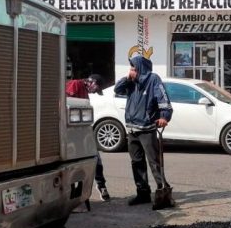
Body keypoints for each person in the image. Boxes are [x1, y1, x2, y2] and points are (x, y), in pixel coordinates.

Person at [114, 55, 175, 210]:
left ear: (141, 68)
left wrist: (164, 117)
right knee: (136, 162)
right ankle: (143, 193)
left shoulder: (153, 79)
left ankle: (163, 190)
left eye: (134, 68)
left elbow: (164, 101)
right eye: (131, 68)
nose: (131, 71)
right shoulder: (131, 82)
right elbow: (117, 89)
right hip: (132, 128)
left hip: (147, 129)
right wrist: (127, 78)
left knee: (154, 162)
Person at [65, 74, 110, 202]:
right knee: (75, 163)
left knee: (95, 158)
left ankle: (101, 185)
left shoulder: (85, 92)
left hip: (83, 131)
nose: (95, 91)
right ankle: (74, 194)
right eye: (96, 88)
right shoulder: (75, 85)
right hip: (71, 133)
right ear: (92, 82)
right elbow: (66, 105)